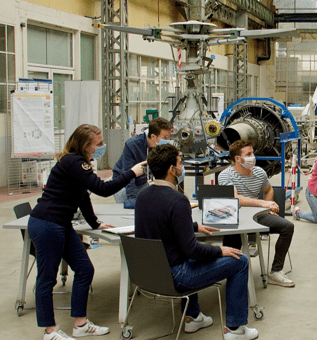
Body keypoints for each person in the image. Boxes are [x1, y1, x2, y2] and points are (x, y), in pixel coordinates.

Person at [28, 124, 147, 340]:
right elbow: (102, 189)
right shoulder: (74, 162)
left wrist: (94, 224)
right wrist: (132, 172)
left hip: (61, 225)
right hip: (47, 223)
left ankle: (80, 325)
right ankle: (50, 332)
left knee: (84, 269)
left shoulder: (77, 163)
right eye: (99, 143)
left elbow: (83, 195)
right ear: (85, 145)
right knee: (46, 279)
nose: (101, 146)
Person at [135, 144, 258, 340]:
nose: (182, 167)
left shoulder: (142, 196)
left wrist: (190, 226)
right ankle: (236, 329)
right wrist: (220, 251)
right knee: (239, 260)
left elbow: (160, 224)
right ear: (171, 170)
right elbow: (193, 251)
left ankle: (193, 317)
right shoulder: (177, 200)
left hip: (150, 274)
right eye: (179, 163)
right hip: (177, 276)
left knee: (188, 255)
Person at [217, 140, 296, 287]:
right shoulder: (225, 175)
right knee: (233, 240)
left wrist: (267, 208)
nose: (253, 156)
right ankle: (229, 272)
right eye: (248, 154)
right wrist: (263, 203)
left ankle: (275, 272)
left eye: (252, 153)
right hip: (235, 216)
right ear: (237, 159)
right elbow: (235, 198)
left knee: (287, 227)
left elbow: (268, 190)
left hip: (257, 215)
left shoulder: (260, 173)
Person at [112, 117, 173, 206]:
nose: (167, 140)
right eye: (165, 137)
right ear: (153, 136)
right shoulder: (133, 145)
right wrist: (132, 199)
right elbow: (129, 174)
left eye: (168, 137)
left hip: (141, 181)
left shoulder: (158, 147)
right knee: (129, 211)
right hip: (124, 184)